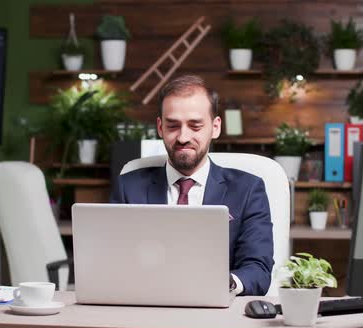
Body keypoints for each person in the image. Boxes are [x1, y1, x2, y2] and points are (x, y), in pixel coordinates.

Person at [110, 75, 273, 296]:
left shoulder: (248, 189)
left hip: (217, 312)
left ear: (215, 127)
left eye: (195, 126)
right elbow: (112, 262)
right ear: (160, 127)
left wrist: (222, 283)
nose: (183, 137)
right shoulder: (128, 187)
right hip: (145, 307)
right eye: (173, 126)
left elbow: (258, 270)